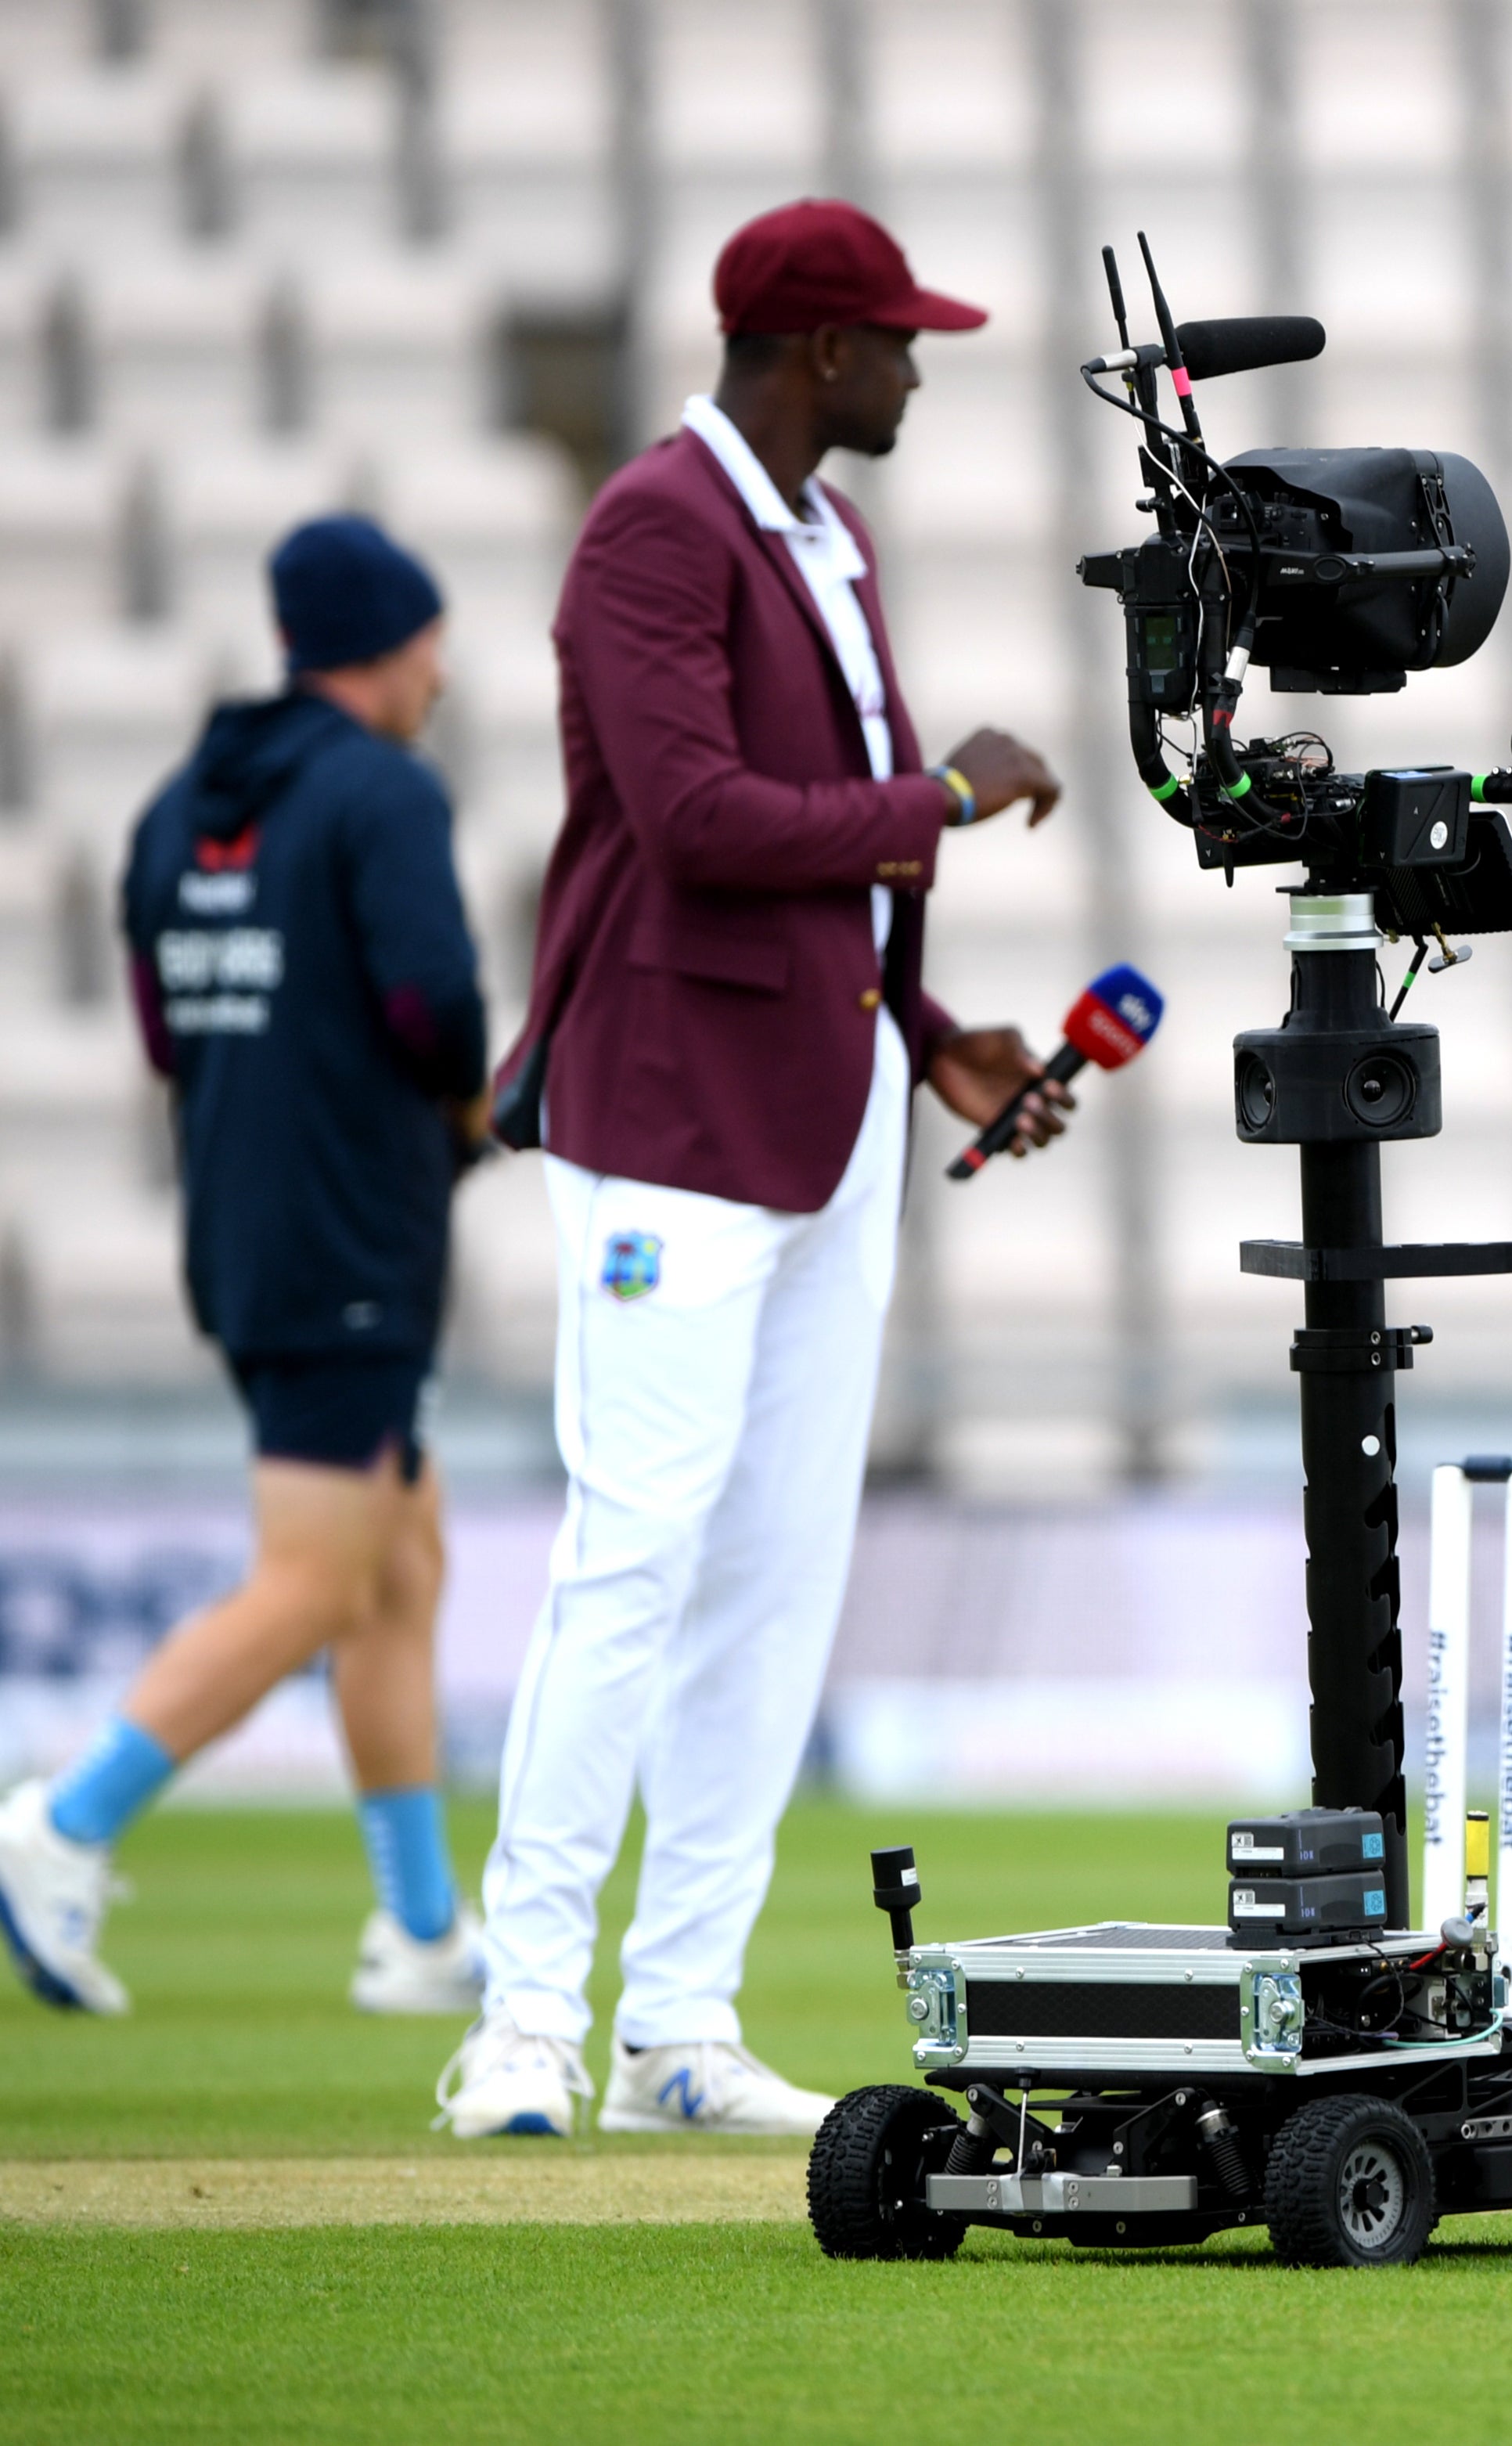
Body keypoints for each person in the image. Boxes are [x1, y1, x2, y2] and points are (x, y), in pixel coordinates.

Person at [434, 199, 1069, 2141]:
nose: (916, 370)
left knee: (778, 1575)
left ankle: (678, 2025)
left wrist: (924, 1020)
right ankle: (526, 2019)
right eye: (894, 342)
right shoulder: (657, 526)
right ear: (812, 352)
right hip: (670, 1113)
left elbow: (832, 864)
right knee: (635, 1552)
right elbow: (699, 817)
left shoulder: (829, 533)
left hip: (827, 1098)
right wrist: (943, 798)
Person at [0, 516, 488, 2021]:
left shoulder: (173, 809)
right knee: (313, 1580)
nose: (442, 673)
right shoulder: (381, 796)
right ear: (387, 644)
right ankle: (58, 1825)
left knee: (401, 1568)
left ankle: (419, 1934)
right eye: (429, 643)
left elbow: (163, 1035)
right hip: (352, 1231)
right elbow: (437, 1009)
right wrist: (472, 1108)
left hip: (241, 1225)